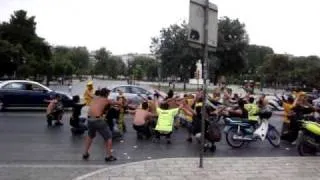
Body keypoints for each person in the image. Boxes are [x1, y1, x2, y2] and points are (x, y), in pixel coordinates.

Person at [82, 88, 120, 162]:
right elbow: (119, 103)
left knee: (90, 136)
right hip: (98, 120)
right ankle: (109, 156)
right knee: (109, 137)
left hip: (89, 119)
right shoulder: (106, 100)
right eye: (108, 94)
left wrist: (88, 89)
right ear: (106, 94)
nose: (108, 95)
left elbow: (88, 93)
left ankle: (85, 153)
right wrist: (122, 97)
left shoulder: (95, 97)